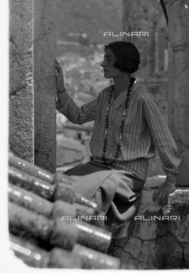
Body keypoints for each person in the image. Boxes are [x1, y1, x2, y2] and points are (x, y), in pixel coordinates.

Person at [55, 41, 181, 236]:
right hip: (99, 167)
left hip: (128, 173)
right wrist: (61, 89)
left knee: (88, 194)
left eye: (109, 59)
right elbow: (79, 116)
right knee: (61, 184)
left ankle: (85, 242)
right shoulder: (106, 95)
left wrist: (170, 179)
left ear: (123, 63)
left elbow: (163, 138)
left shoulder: (142, 99)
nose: (102, 64)